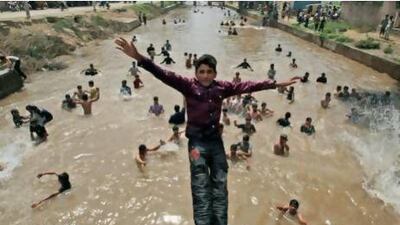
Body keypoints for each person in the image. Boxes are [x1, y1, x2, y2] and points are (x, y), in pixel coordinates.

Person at [115, 37, 297, 225]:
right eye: (201, 72)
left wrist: (276, 84)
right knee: (201, 183)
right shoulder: (187, 85)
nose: (205, 76)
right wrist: (138, 56)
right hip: (196, 144)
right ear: (195, 73)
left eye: (209, 72)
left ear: (215, 73)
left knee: (220, 182)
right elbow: (162, 74)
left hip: (215, 142)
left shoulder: (222, 88)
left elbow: (249, 85)